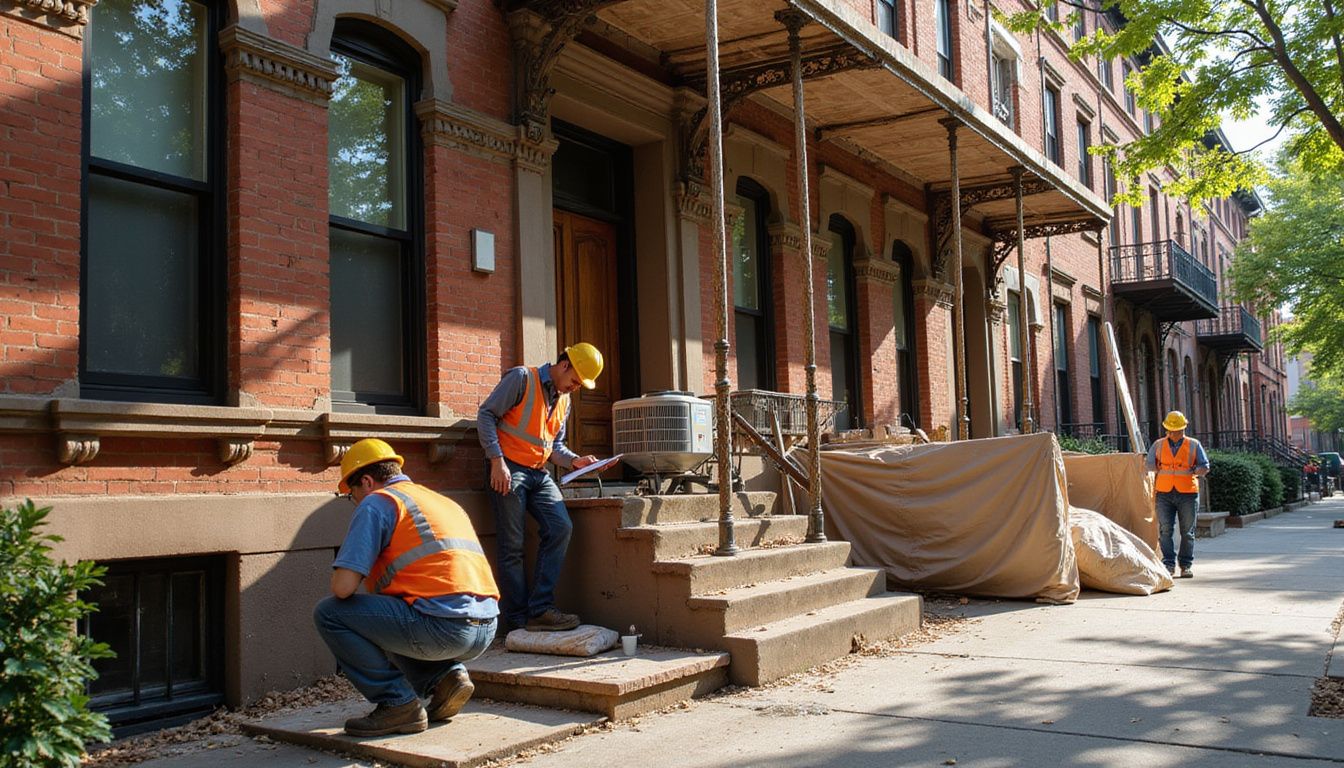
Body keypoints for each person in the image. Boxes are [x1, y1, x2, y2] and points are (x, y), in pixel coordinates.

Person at [313, 438, 499, 737]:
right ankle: (446, 678)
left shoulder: (378, 501)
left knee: (330, 613)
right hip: (486, 628)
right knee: (396, 610)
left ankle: (397, 705)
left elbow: (343, 588)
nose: (356, 502)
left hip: (444, 629)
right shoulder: (437, 499)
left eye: (353, 495)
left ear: (367, 481)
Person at [477, 342, 607, 632]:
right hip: (507, 467)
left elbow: (553, 446)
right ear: (564, 365)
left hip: (538, 473)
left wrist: (575, 462)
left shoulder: (565, 399)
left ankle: (541, 608)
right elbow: (486, 415)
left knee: (561, 527)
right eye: (575, 380)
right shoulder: (522, 378)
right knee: (512, 546)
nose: (575, 387)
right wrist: (496, 462)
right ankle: (517, 621)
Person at [1145, 411, 1209, 579]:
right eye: (1172, 430)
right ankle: (1168, 564)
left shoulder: (1194, 444)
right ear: (1167, 430)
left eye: (1178, 430)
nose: (1175, 433)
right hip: (1164, 493)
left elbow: (1205, 466)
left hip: (1187, 493)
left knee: (1187, 532)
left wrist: (1197, 470)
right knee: (1165, 530)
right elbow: (1149, 465)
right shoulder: (1158, 445)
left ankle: (1186, 565)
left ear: (1183, 429)